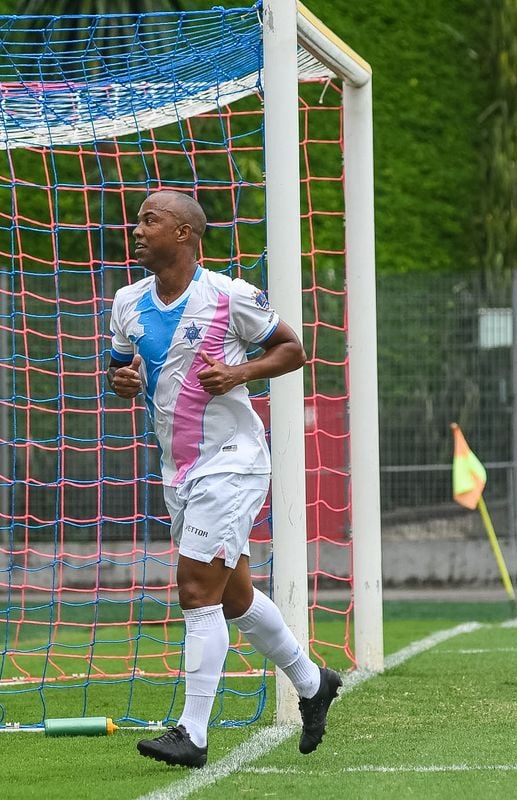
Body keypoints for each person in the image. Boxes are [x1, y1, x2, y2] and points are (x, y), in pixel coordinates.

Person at [106, 190, 341, 769]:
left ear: (184, 234)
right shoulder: (127, 302)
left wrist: (240, 370)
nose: (137, 230)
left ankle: (193, 733)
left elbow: (292, 349)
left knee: (194, 589)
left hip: (233, 461)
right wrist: (123, 382)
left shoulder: (229, 296)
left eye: (149, 220)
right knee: (232, 595)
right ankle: (314, 684)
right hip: (178, 470)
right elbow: (119, 368)